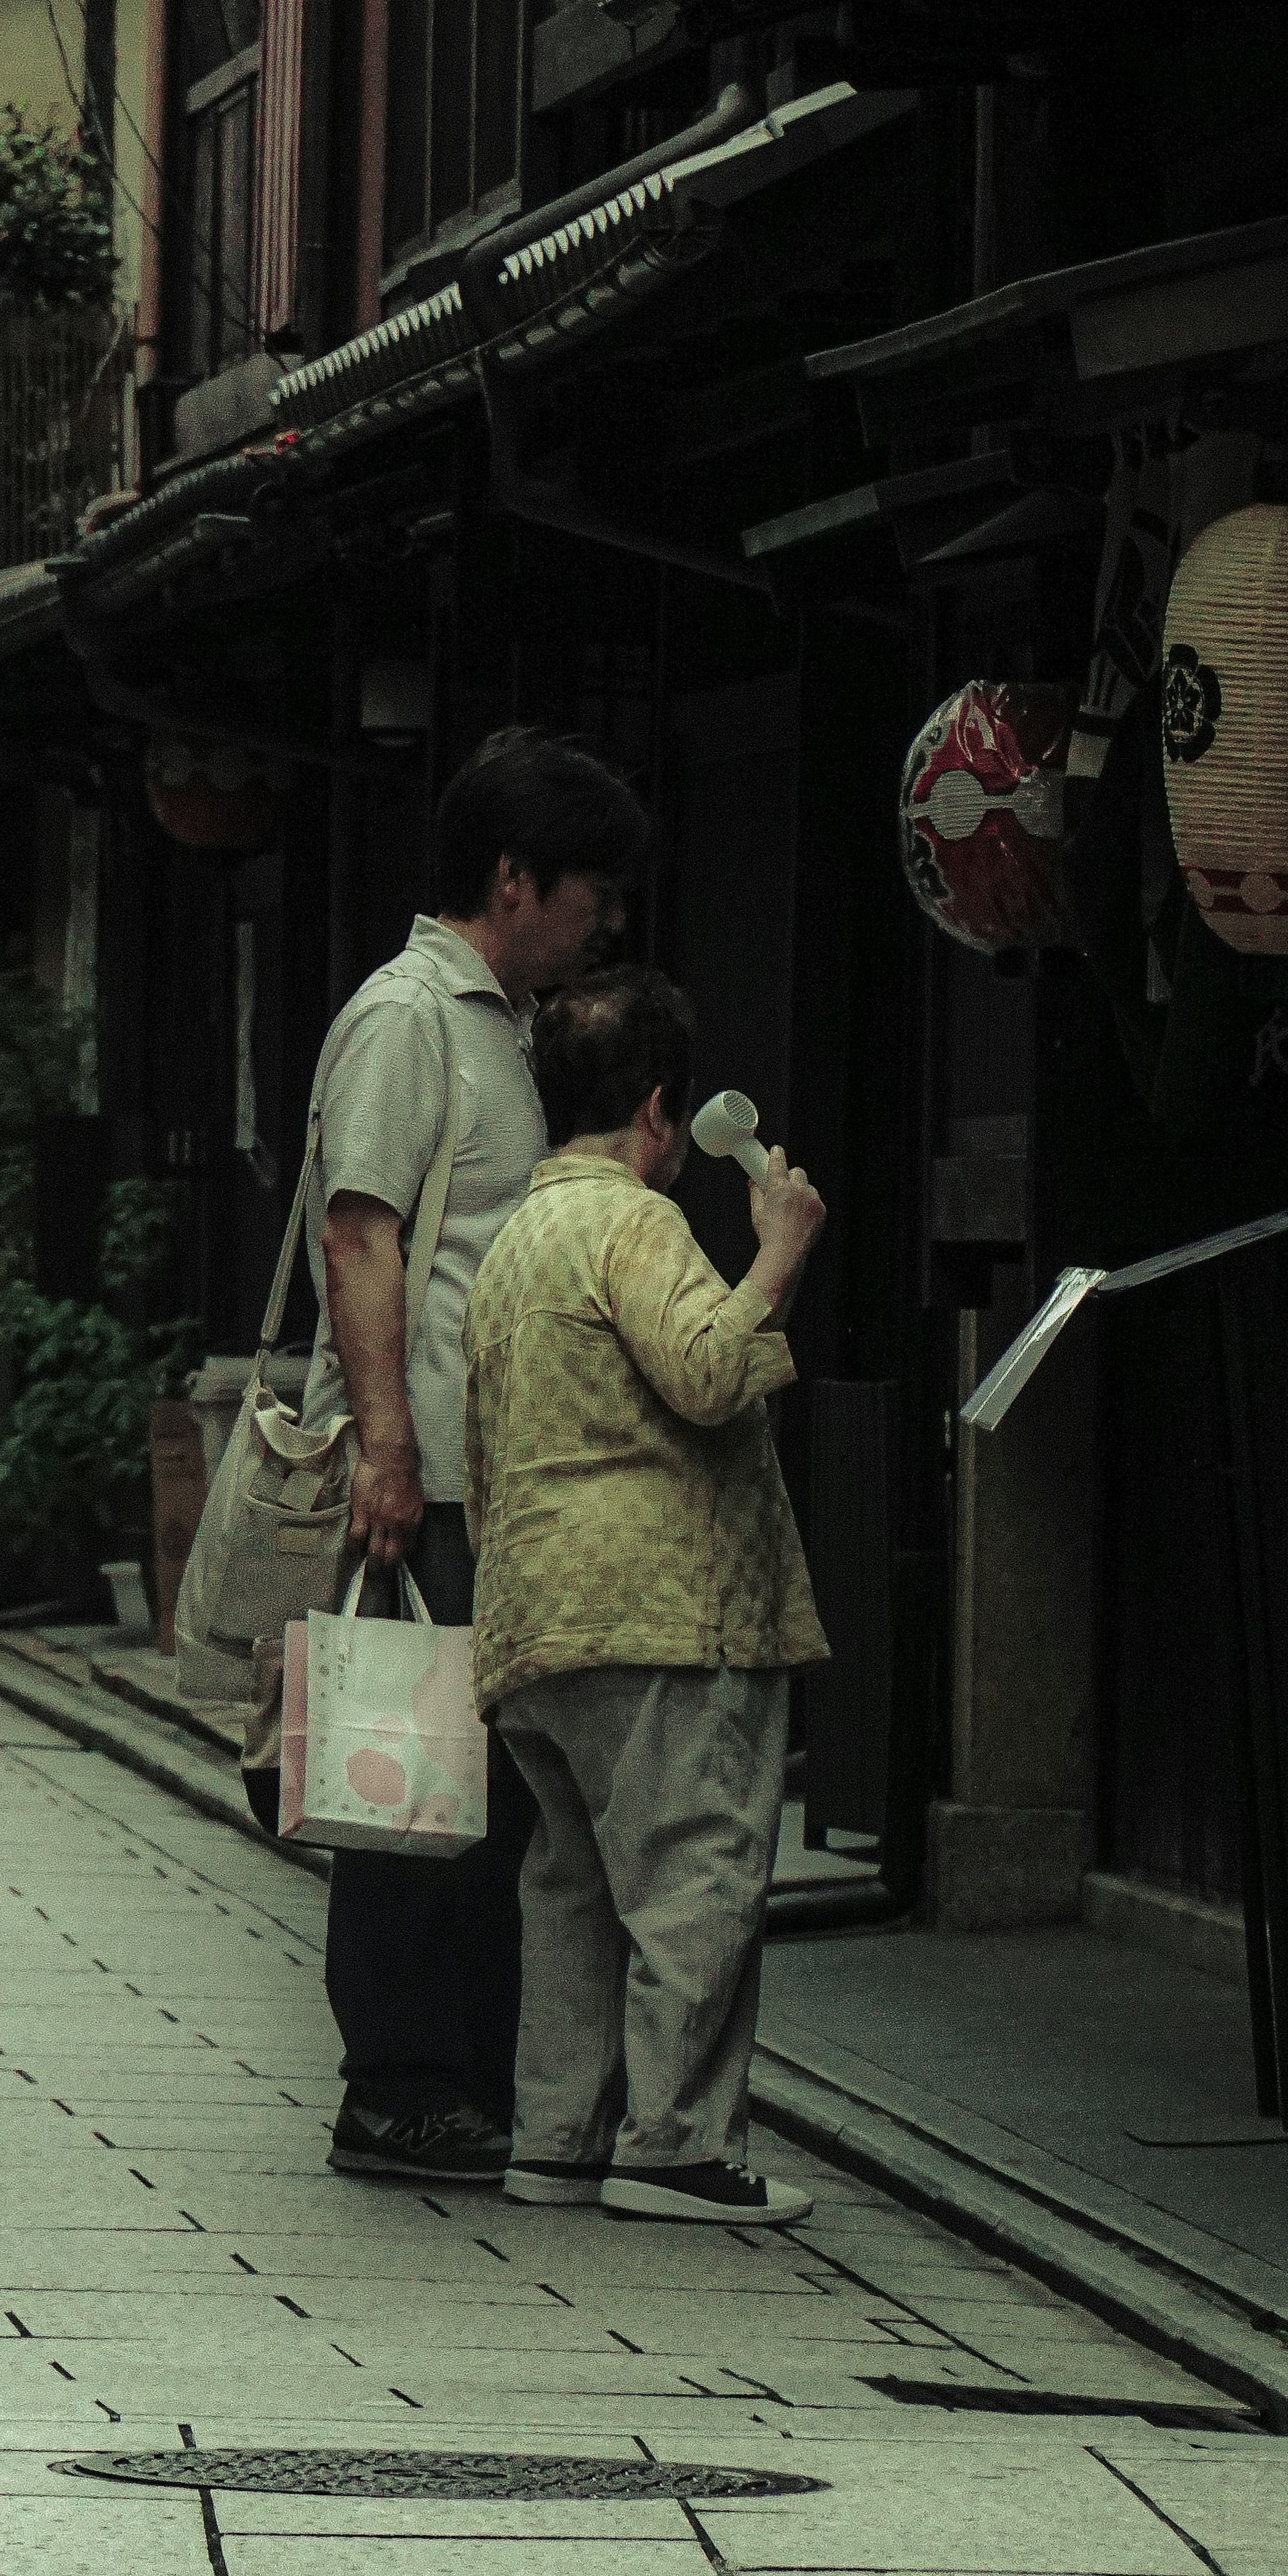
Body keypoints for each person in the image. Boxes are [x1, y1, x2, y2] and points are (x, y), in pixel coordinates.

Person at [292, 727, 651, 2188]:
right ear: (515, 878)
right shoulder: (409, 1018)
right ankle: (400, 2084)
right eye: (591, 893)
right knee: (411, 1784)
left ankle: (462, 2077)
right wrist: (389, 1450)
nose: (608, 923)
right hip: (425, 1474)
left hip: (488, 1478)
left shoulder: (499, 1015)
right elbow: (361, 1231)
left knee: (478, 1794)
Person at [461, 965, 829, 2228]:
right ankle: (676, 2145)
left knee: (570, 1885)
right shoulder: (634, 1222)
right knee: (695, 1870)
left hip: (537, 1611)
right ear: (663, 1112)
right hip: (661, 1608)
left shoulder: (514, 1238)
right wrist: (776, 1251)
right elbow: (710, 1373)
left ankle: (558, 2133)